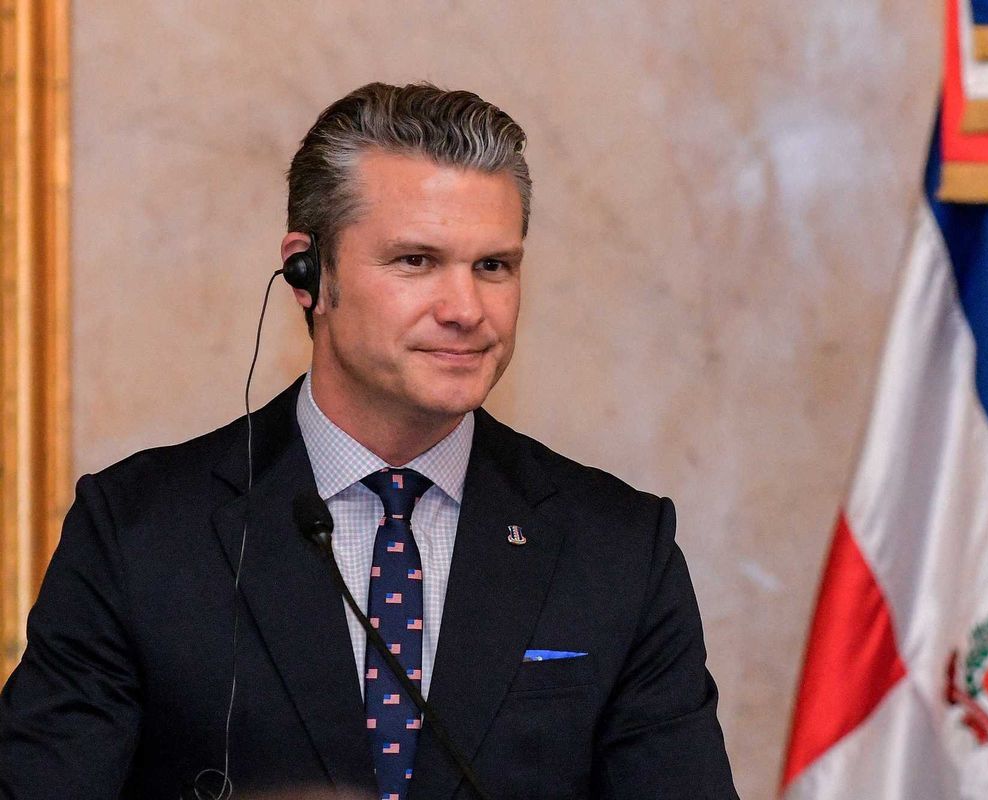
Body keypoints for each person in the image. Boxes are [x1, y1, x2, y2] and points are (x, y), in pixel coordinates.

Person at [0, 82, 738, 799]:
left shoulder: (617, 547)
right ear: (308, 273)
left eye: (493, 267)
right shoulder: (139, 530)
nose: (466, 309)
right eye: (416, 261)